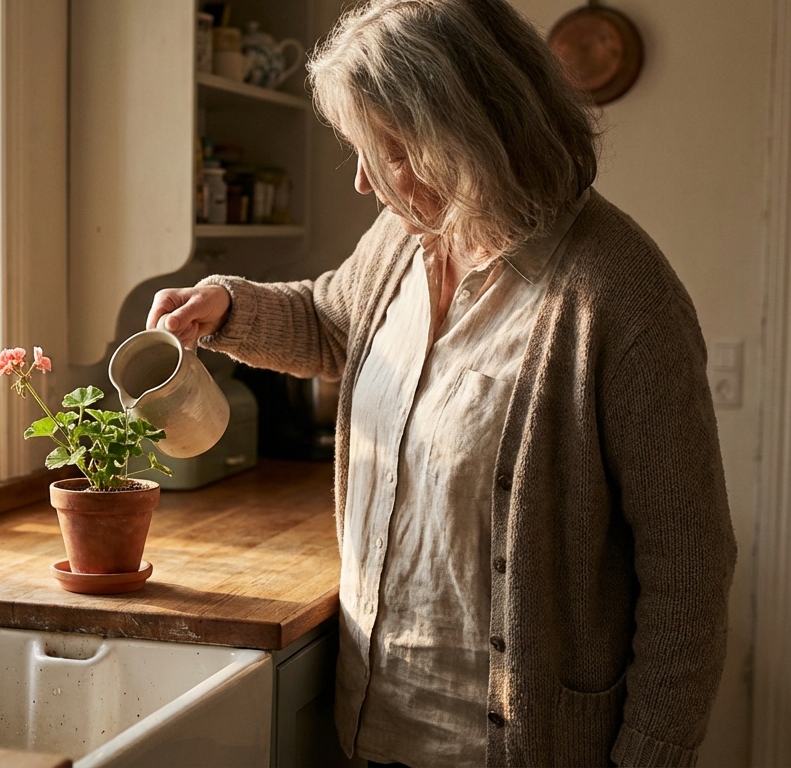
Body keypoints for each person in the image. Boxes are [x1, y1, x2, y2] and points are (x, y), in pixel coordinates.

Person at [147, 1, 736, 765]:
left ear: (463, 135)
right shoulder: (408, 235)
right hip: (372, 720)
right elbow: (336, 323)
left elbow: (688, 566)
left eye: (382, 150)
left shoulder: (618, 294)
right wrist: (228, 305)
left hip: (506, 746)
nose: (361, 181)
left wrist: (651, 754)